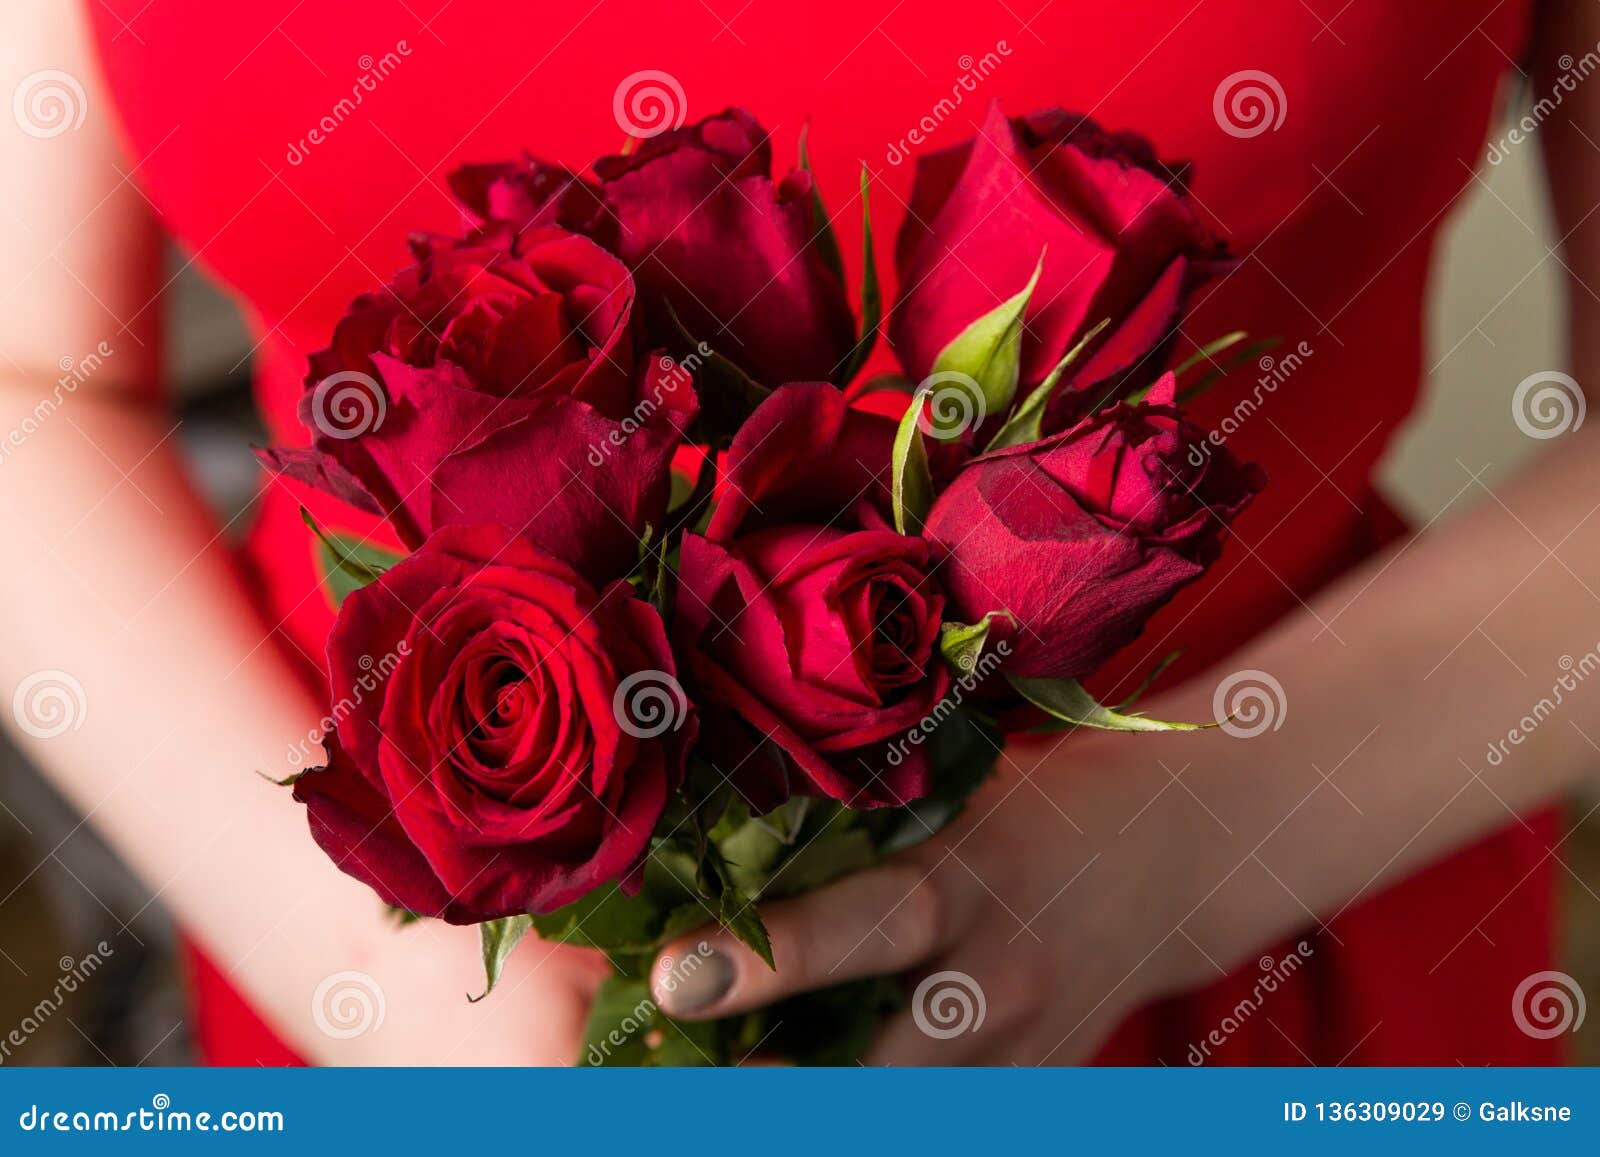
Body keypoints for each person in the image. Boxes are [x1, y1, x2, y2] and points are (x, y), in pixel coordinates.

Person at [1, 0, 1592, 1064]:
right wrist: (385, 987)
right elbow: (30, 384)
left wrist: (1168, 847)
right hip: (415, 997)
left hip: (1266, 921)